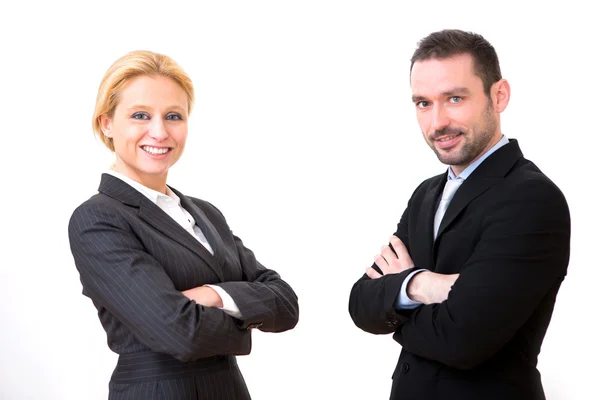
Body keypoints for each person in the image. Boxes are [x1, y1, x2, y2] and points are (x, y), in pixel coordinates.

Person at [348, 29, 570, 400]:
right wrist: (422, 283)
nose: (437, 123)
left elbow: (463, 340)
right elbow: (360, 303)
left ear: (498, 96)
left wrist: (399, 295)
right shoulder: (426, 194)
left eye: (454, 98)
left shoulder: (531, 198)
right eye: (423, 103)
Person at [68, 50, 299, 400]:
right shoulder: (99, 218)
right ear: (107, 123)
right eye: (140, 115)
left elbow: (285, 304)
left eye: (173, 116)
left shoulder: (206, 214)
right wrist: (246, 318)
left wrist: (212, 295)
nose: (159, 132)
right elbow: (179, 332)